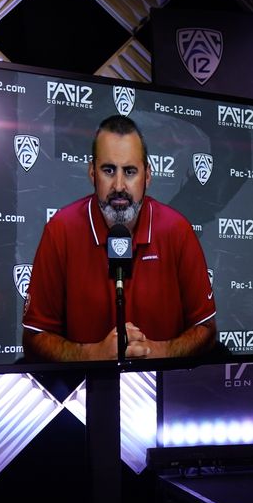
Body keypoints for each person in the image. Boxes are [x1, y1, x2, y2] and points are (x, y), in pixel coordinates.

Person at [22, 115, 216, 362]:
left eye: (130, 171)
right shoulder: (61, 230)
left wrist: (157, 351)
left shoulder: (177, 230)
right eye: (108, 170)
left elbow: (207, 332)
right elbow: (34, 339)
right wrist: (92, 354)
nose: (119, 185)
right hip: (84, 392)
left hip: (164, 391)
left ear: (147, 175)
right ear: (92, 173)